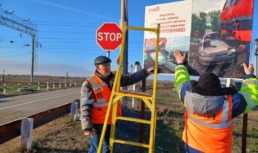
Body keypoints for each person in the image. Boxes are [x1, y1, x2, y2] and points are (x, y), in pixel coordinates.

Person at [173, 50, 258, 153]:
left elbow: (180, 82)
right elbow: (251, 96)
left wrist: (180, 64)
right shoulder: (230, 103)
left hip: (191, 147)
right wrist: (249, 75)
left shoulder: (187, 96)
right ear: (218, 89)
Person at [80, 55, 154, 153]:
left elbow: (130, 78)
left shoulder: (115, 77)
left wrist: (146, 72)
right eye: (105, 65)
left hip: (113, 120)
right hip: (97, 124)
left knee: (108, 148)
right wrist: (87, 128)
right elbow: (85, 106)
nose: (108, 67)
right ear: (98, 67)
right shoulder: (89, 83)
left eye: (109, 65)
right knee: (96, 148)